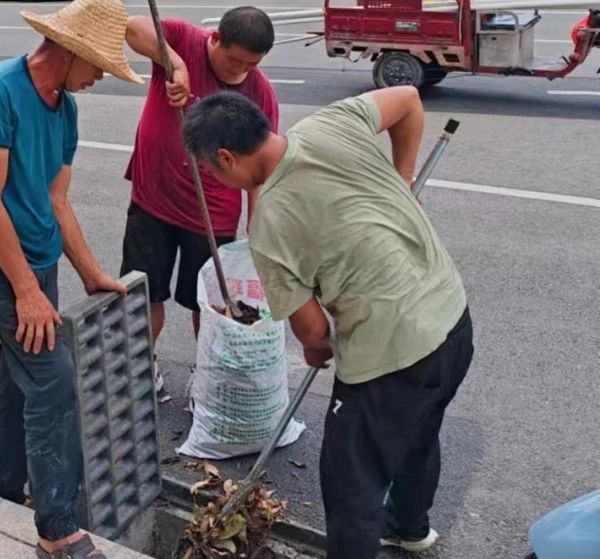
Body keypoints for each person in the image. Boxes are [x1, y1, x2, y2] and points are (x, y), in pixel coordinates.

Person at [181, 87, 473, 559]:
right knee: (417, 429)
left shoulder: (269, 225)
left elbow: (314, 335)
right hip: (451, 319)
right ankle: (410, 528)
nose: (215, 179)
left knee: (351, 482)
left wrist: (318, 348)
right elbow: (409, 101)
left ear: (226, 157)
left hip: (388, 361)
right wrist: (403, 178)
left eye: (212, 171)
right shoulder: (329, 123)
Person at [0, 0, 142, 559]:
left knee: (20, 369)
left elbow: (57, 200)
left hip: (38, 258)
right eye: (98, 66)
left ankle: (3, 489)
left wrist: (92, 272)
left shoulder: (66, 109)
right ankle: (56, 529)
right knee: (52, 378)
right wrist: (26, 291)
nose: (99, 78)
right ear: (68, 50)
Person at [121, 7, 279, 387]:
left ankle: (206, 374)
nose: (240, 70)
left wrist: (256, 231)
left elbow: (260, 173)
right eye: (234, 59)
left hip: (214, 215)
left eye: (250, 64)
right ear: (215, 39)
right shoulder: (184, 41)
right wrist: (173, 63)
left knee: (208, 306)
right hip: (153, 199)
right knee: (144, 293)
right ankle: (141, 368)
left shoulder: (260, 93)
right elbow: (132, 27)